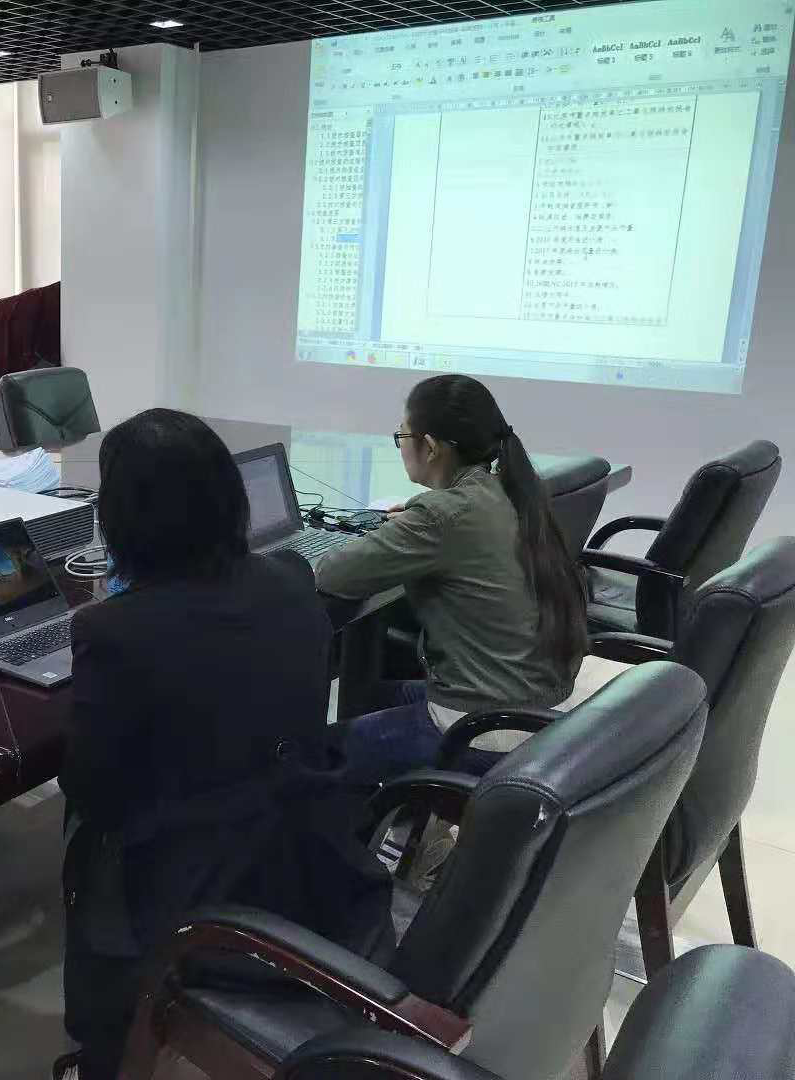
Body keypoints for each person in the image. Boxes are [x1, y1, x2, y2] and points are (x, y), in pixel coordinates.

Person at [58, 409, 392, 1080]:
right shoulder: (292, 575)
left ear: (118, 518)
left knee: (88, 835)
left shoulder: (114, 630)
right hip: (308, 854)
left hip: (196, 888)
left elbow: (92, 788)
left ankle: (109, 1038)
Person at [314, 374, 589, 785]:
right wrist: (415, 522)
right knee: (368, 697)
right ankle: (386, 807)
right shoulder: (511, 492)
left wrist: (410, 525)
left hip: (483, 729)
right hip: (536, 705)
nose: (400, 445)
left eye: (401, 436)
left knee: (313, 755)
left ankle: (377, 809)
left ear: (429, 447)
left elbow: (333, 574)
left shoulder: (443, 517)